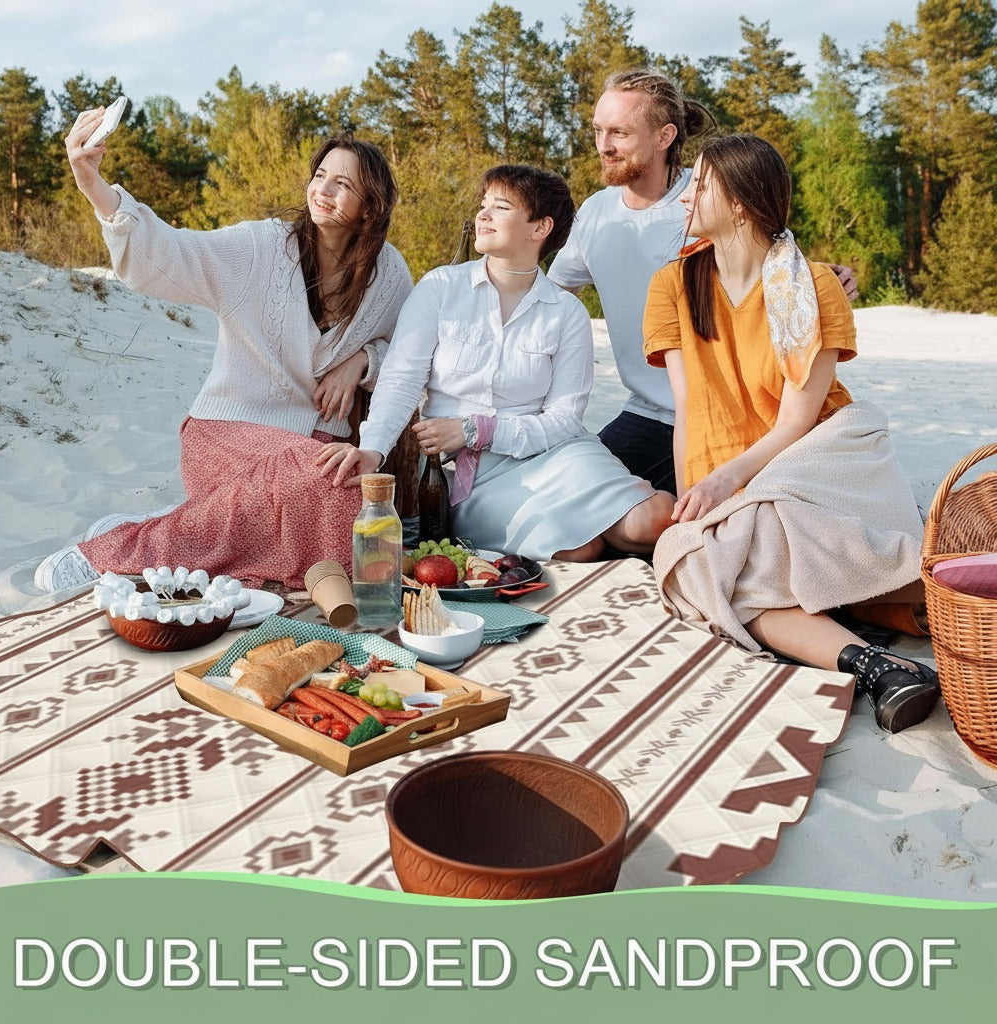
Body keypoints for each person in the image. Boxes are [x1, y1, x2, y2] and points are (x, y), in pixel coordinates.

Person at [34, 115, 412, 592]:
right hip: (227, 434)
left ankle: (189, 517)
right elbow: (173, 252)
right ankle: (118, 551)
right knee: (331, 491)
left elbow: (412, 356)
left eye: (343, 184)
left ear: (369, 206)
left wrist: (364, 361)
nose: (323, 190)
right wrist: (93, 185)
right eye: (320, 176)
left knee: (356, 522)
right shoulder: (262, 246)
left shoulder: (389, 275)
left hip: (315, 449)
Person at [643, 134, 939, 734]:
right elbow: (688, 407)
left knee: (768, 553)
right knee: (703, 567)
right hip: (733, 474)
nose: (685, 197)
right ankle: (877, 666)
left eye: (700, 184)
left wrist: (731, 483)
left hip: (817, 458)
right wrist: (694, 497)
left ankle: (934, 598)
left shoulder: (813, 285)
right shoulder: (672, 285)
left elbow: (798, 422)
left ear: (741, 203)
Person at [317, 164, 674, 561]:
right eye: (483, 205)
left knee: (654, 520)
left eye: (500, 207)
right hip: (471, 478)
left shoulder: (566, 312)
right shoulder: (441, 288)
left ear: (540, 228)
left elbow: (564, 420)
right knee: (578, 548)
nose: (483, 215)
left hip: (558, 456)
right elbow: (400, 380)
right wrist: (373, 450)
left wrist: (477, 430)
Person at [548, 69, 857, 494]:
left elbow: (770, 258)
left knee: (673, 512)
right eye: (598, 130)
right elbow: (551, 299)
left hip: (737, 412)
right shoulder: (595, 214)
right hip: (648, 411)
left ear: (664, 136)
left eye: (619, 132)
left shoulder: (711, 197)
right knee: (575, 499)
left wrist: (821, 277)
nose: (604, 145)